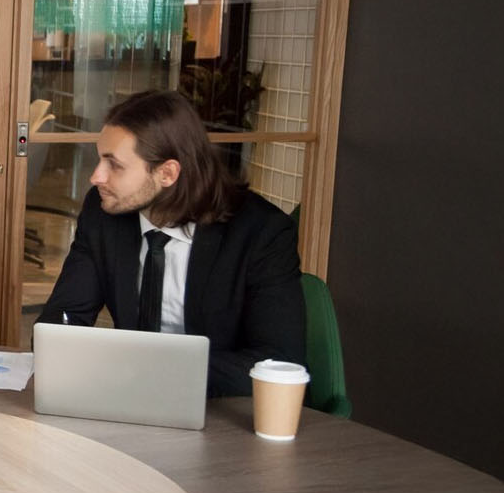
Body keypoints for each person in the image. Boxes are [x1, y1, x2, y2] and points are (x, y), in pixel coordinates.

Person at [38, 90, 305, 396]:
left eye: (114, 165)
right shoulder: (104, 213)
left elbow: (280, 363)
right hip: (124, 400)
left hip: (221, 411)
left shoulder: (261, 233)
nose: (97, 177)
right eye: (100, 159)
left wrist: (146, 369)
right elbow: (60, 323)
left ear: (167, 173)